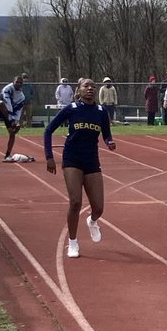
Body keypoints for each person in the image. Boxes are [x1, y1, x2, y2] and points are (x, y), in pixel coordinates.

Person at [44, 77, 116, 258]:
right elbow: (48, 130)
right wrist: (49, 157)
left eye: (93, 86)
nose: (90, 89)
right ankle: (73, 243)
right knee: (75, 202)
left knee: (99, 208)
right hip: (72, 159)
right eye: (86, 86)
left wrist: (109, 142)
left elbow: (106, 134)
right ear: (79, 90)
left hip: (91, 161)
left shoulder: (101, 111)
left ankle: (92, 222)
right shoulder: (71, 109)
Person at [0, 75, 26, 158]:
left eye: (20, 83)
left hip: (10, 115)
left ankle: (7, 154)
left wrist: (17, 121)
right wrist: (12, 119)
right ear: (13, 82)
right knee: (1, 104)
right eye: (17, 82)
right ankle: (11, 123)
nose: (18, 84)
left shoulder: (22, 97)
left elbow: (19, 110)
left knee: (12, 133)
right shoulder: (7, 89)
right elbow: (7, 101)